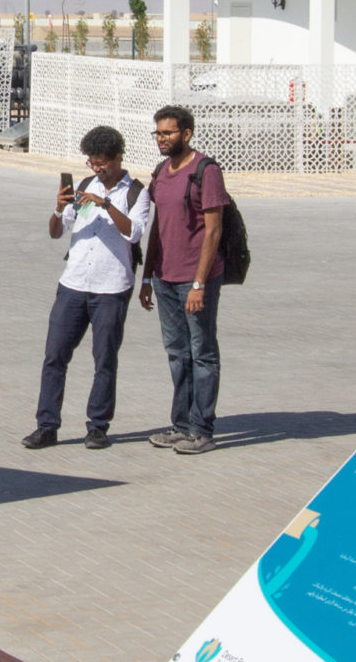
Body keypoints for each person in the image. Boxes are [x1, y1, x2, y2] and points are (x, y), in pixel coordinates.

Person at [22, 125, 150, 450]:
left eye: (102, 162)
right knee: (55, 356)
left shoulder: (136, 192)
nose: (97, 168)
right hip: (73, 285)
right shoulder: (82, 187)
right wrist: (57, 207)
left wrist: (105, 205)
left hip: (111, 288)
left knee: (104, 359)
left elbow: (134, 233)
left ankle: (98, 427)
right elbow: (56, 232)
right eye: (92, 162)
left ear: (118, 157)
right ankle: (47, 425)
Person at [139, 105, 230, 455]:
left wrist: (199, 284)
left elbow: (213, 231)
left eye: (168, 133)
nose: (161, 139)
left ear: (187, 134)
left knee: (203, 353)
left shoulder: (206, 171)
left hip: (195, 279)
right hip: (164, 278)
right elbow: (158, 227)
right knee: (177, 354)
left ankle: (202, 430)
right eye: (158, 133)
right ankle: (181, 425)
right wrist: (147, 277)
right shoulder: (161, 171)